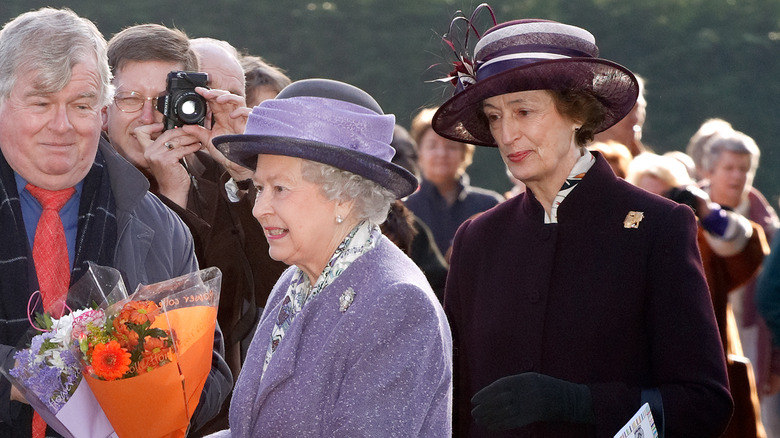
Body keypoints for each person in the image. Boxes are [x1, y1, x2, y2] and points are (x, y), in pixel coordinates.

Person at [432, 15, 732, 437]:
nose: (507, 133)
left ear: (576, 112)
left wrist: (583, 404)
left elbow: (704, 403)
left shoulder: (657, 228)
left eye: (523, 111)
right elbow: (452, 402)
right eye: (494, 116)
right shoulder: (477, 240)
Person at [0, 8, 231, 437]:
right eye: (40, 102)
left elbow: (214, 374)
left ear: (103, 112)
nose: (62, 125)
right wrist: (18, 380)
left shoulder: (162, 227)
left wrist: (153, 390)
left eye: (81, 104)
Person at [205, 78, 453, 436]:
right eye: (260, 188)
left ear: (343, 196)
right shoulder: (296, 280)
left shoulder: (397, 303)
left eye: (280, 189)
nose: (259, 209)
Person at [102, 24, 287, 436]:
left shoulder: (215, 176)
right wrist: (169, 195)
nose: (150, 117)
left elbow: (268, 282)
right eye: (131, 99)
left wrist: (247, 170)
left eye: (166, 100)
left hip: (215, 408)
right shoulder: (88, 180)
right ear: (104, 106)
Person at [628, 152, 768, 438]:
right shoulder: (620, 248)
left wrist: (708, 213)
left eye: (666, 198)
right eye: (646, 198)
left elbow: (750, 250)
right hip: (645, 385)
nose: (656, 208)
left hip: (704, 381)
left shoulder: (701, 244)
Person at [695, 126, 780, 436]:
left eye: (744, 169)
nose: (737, 176)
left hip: (759, 348)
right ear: (709, 170)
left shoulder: (767, 226)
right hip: (710, 349)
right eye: (729, 168)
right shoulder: (683, 215)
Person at [405, 107, 504, 259]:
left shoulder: (490, 205)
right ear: (419, 153)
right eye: (432, 146)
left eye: (451, 146)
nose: (441, 154)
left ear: (465, 154)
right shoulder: (406, 209)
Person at [593, 73, 648, 157]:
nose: (636, 118)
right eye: (628, 109)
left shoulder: (653, 168)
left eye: (639, 108)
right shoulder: (575, 164)